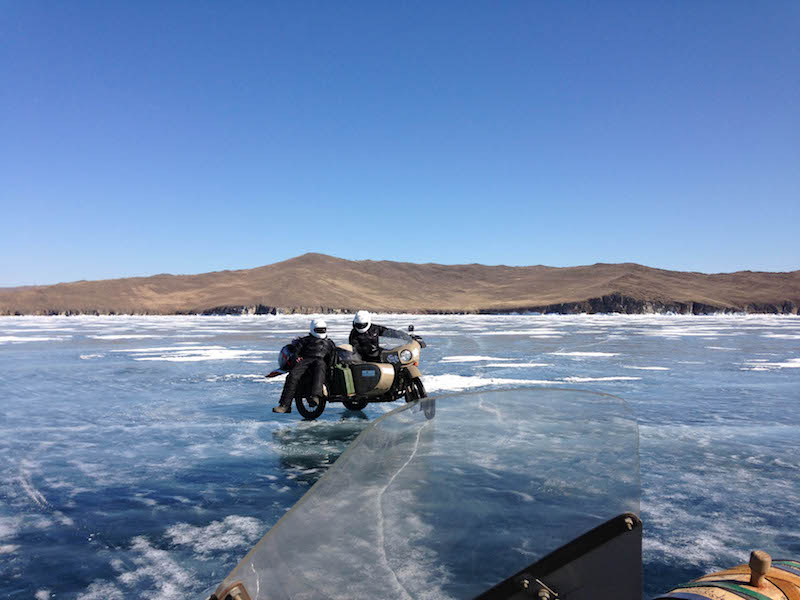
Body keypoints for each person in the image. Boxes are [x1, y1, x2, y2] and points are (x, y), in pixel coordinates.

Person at [273, 318, 336, 413]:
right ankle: (285, 405)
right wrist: (297, 358)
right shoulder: (304, 341)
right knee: (292, 376)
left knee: (320, 367)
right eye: (319, 330)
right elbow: (296, 352)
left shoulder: (329, 343)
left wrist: (331, 368)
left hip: (320, 362)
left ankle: (316, 396)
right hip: (306, 361)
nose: (321, 332)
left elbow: (333, 358)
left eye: (322, 329)